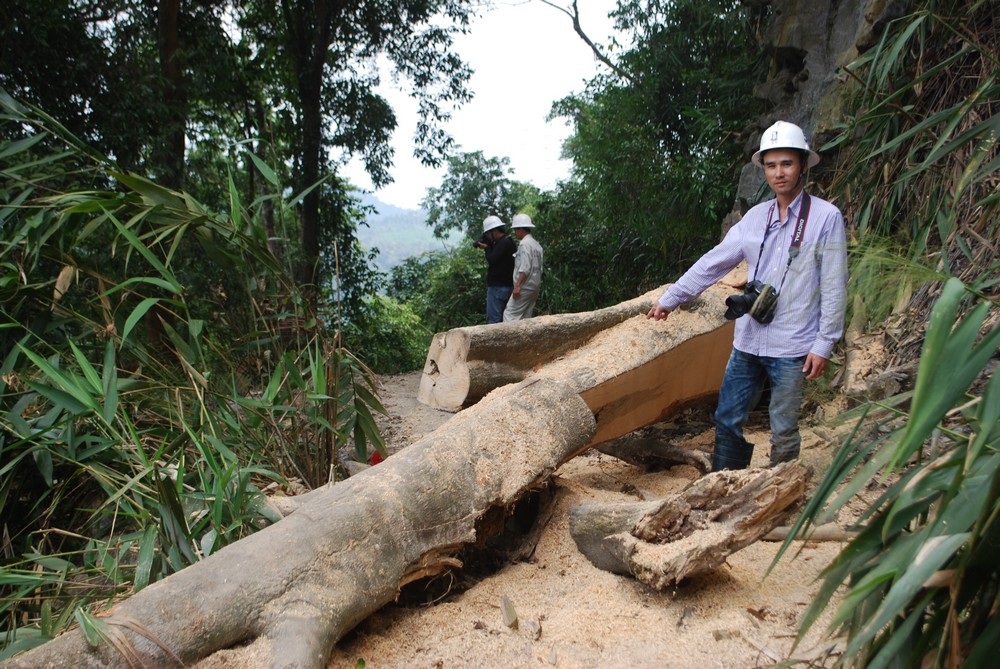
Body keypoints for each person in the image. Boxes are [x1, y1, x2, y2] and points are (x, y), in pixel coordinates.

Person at [646, 120, 847, 471]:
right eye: (771, 165)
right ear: (764, 170)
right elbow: (714, 263)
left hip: (794, 342)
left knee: (783, 428)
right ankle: (726, 481)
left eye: (787, 163)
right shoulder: (755, 218)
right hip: (749, 339)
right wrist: (671, 298)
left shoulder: (826, 218)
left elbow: (833, 284)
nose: (779, 173)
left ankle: (777, 493)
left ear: (802, 165)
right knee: (726, 417)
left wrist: (824, 343)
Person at [502, 213, 544, 322]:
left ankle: (509, 339)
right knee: (526, 318)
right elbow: (540, 268)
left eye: (516, 230)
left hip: (524, 287)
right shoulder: (536, 245)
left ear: (521, 229)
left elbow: (525, 267)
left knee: (509, 315)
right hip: (534, 287)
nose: (515, 233)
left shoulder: (524, 244)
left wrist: (517, 286)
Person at [475, 215, 516, 323]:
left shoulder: (503, 243)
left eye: (488, 234)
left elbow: (492, 259)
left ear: (494, 231)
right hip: (508, 286)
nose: (487, 237)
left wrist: (487, 248)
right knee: (506, 321)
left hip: (497, 288)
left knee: (494, 322)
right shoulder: (509, 241)